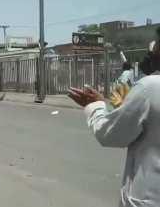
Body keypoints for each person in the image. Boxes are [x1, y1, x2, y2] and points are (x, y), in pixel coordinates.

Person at [68, 40, 160, 207]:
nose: (150, 54)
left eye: (155, 49)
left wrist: (95, 106)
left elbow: (109, 134)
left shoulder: (150, 86)